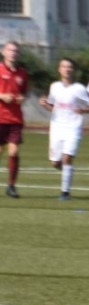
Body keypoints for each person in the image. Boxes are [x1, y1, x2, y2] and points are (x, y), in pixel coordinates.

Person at [39, 57, 89, 201]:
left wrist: (83, 110)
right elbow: (53, 107)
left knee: (67, 158)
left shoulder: (79, 89)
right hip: (57, 128)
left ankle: (65, 193)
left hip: (73, 128)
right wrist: (45, 105)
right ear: (59, 69)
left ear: (74, 70)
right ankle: (68, 170)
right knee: (55, 163)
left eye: (70, 67)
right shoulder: (54, 87)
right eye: (64, 66)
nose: (67, 69)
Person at [0, 41, 29, 199]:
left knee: (14, 151)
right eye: (10, 50)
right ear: (3, 52)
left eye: (16, 51)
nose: (13, 53)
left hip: (15, 119)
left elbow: (24, 92)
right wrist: (2, 96)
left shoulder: (22, 73)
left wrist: (22, 98)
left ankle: (11, 186)